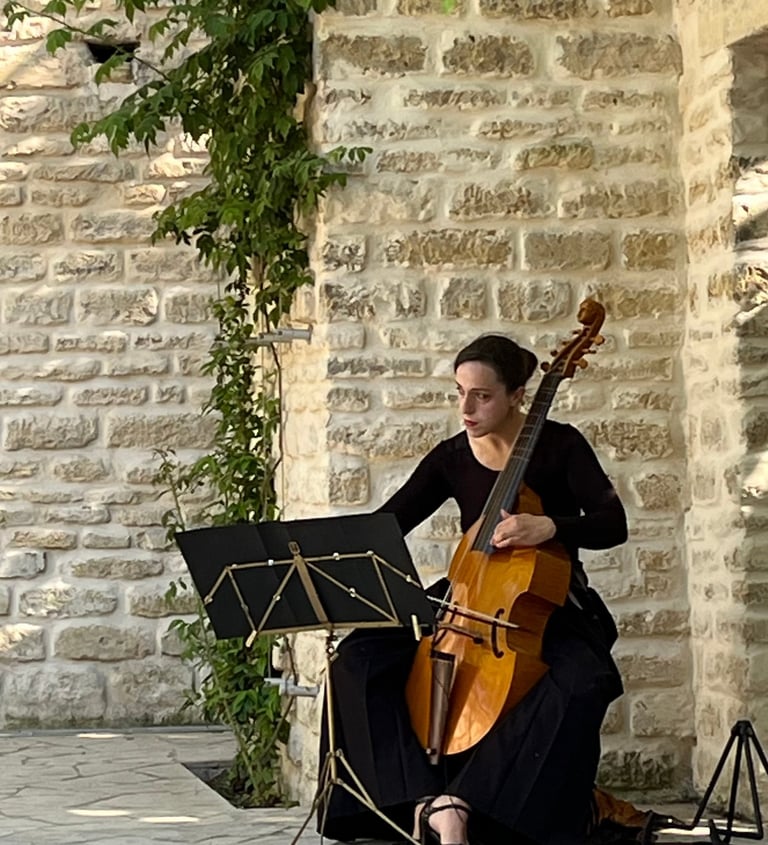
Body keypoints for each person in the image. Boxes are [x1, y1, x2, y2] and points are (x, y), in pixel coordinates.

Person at [318, 333, 628, 845]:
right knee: (358, 658)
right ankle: (419, 803)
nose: (466, 407)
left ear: (516, 395)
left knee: (586, 681)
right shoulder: (451, 457)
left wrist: (550, 526)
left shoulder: (561, 445)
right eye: (459, 391)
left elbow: (612, 524)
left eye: (481, 395)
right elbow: (388, 524)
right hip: (465, 595)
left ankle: (474, 802)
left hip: (546, 603)